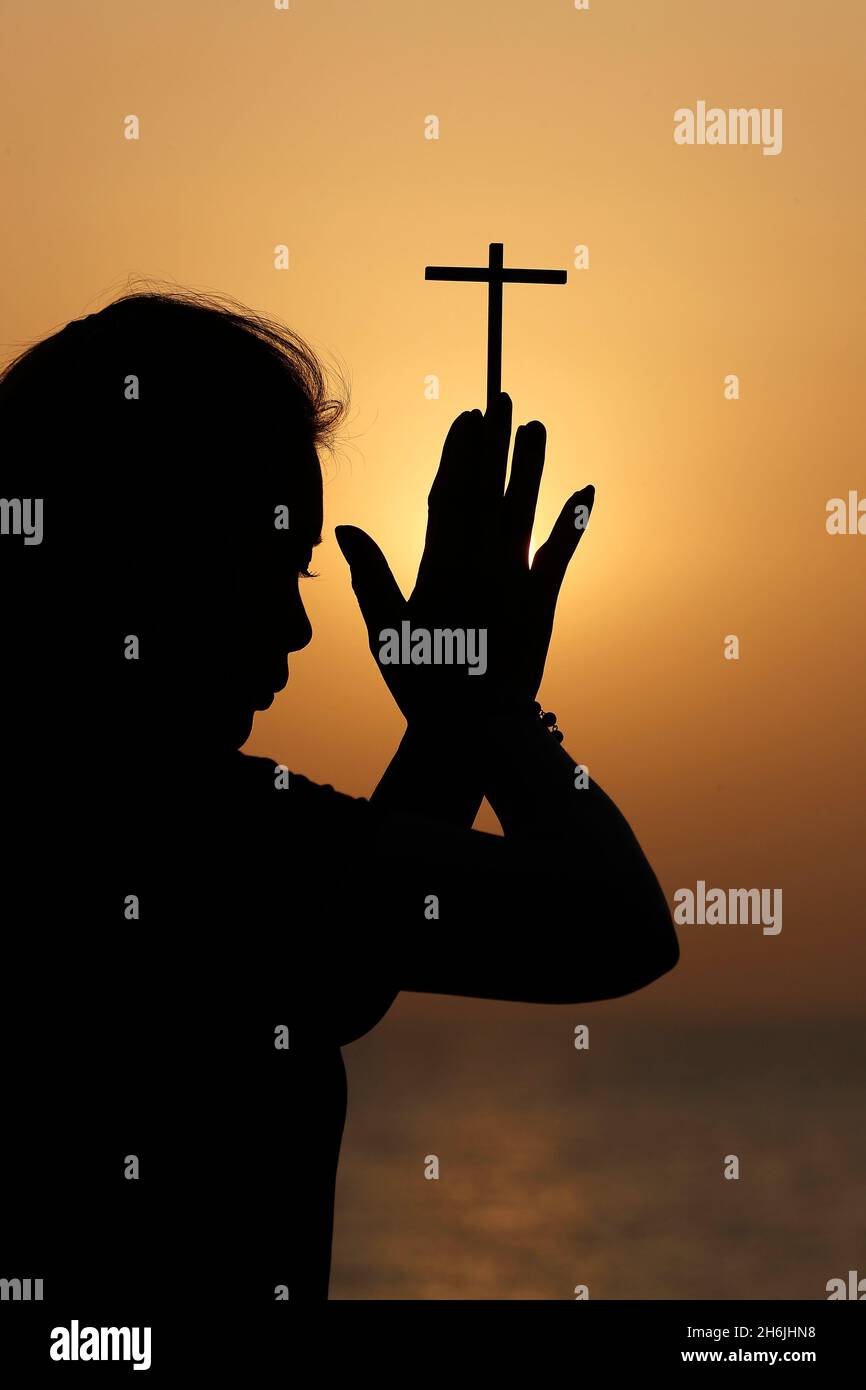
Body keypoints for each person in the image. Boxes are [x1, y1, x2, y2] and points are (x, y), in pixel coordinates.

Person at [0, 289, 678, 1333]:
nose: (299, 626)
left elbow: (340, 968)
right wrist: (492, 705)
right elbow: (609, 927)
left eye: (304, 569)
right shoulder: (192, 833)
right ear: (141, 555)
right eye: (266, 566)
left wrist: (456, 716)